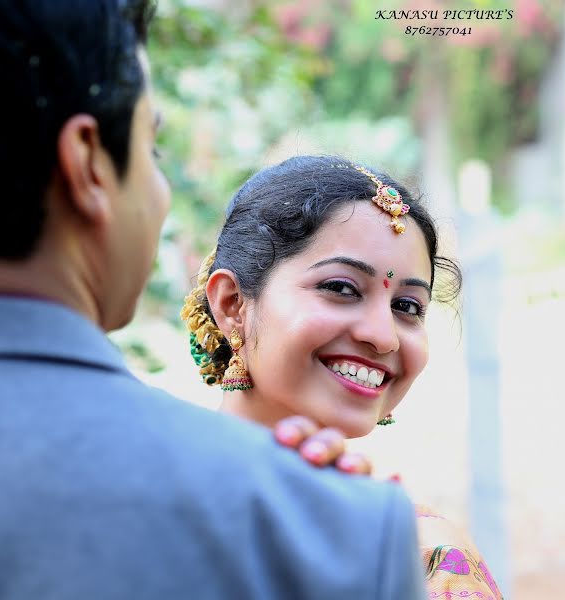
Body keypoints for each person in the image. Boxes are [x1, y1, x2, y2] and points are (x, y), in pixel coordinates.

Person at [0, 2, 427, 599]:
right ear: (90, 164)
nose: (380, 333)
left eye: (409, 305)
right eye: (153, 150)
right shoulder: (319, 534)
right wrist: (311, 515)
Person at [182, 155, 504, 599]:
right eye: (341, 288)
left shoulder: (424, 557)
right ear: (234, 304)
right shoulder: (134, 507)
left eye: (407, 307)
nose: (383, 336)